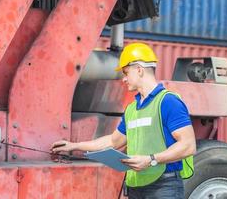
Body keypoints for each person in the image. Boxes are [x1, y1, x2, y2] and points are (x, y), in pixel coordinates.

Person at [51, 42, 196, 199]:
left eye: (126, 72)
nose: (124, 79)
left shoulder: (168, 102)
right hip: (136, 186)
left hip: (164, 187)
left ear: (139, 70)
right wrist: (74, 146)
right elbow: (113, 141)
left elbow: (188, 146)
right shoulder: (132, 109)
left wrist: (151, 160)